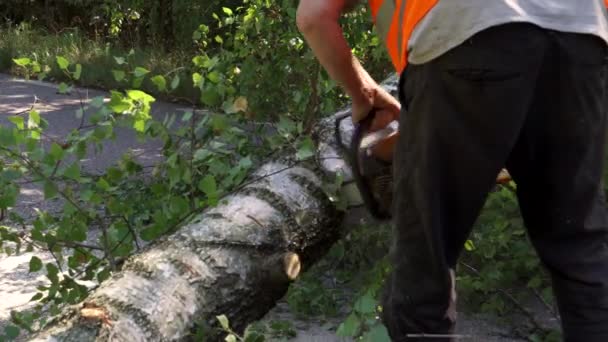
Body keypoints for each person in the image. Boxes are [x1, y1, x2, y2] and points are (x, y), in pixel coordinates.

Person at [296, 1, 608, 341]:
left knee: (426, 262)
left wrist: (363, 94)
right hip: (582, 38)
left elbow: (313, 17)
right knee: (580, 250)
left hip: (464, 34)